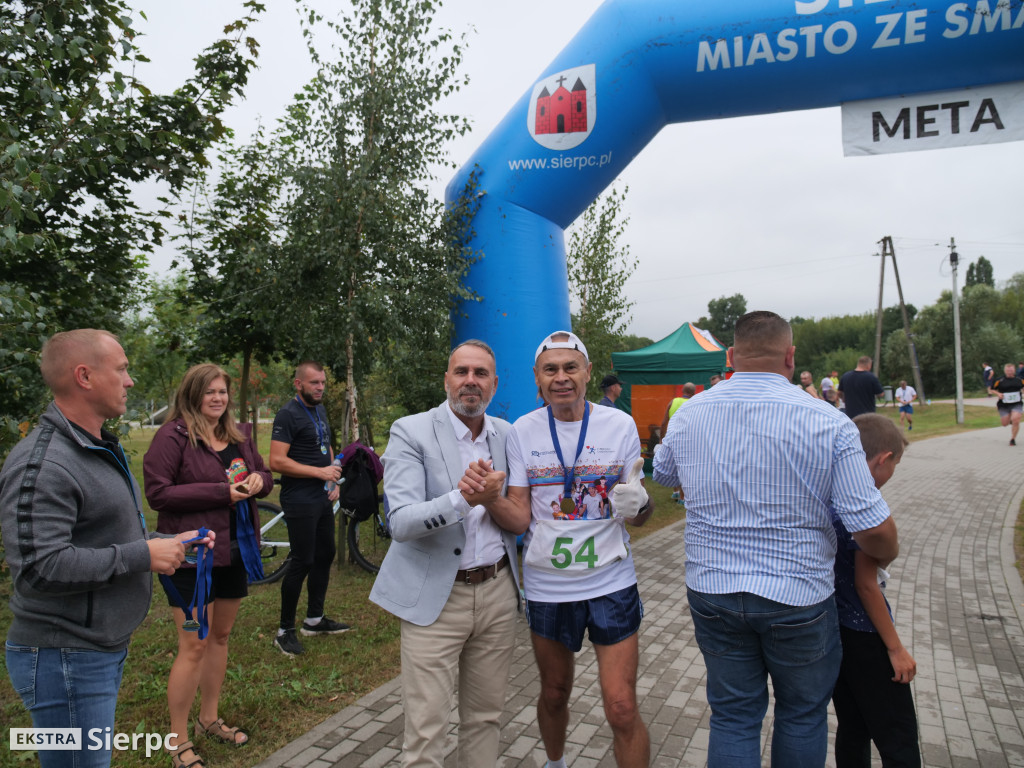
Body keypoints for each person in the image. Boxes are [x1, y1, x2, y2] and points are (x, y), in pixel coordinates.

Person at [653, 311, 899, 768]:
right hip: (799, 595)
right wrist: (888, 552)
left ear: (730, 356)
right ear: (790, 357)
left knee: (733, 716)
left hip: (714, 589)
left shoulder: (690, 414)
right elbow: (872, 527)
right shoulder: (829, 422)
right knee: (803, 716)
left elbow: (664, 473)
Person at [1, 330, 211, 768]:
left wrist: (167, 545)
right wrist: (141, 556)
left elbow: (101, 538)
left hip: (92, 651)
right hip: (63, 658)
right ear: (84, 376)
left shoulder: (94, 448)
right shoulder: (44, 464)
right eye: (121, 369)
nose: (130, 381)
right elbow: (39, 568)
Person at [500, 330, 654, 768]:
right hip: (549, 586)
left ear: (588, 372)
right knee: (554, 692)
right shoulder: (521, 432)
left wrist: (639, 504)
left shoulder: (618, 424)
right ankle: (555, 762)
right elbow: (520, 515)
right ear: (537, 378)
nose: (561, 378)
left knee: (621, 706)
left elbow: (638, 511)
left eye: (571, 368)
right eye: (551, 370)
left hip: (611, 581)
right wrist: (489, 498)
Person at [369, 340, 524, 768]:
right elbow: (399, 522)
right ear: (447, 380)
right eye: (462, 372)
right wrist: (463, 497)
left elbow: (518, 514)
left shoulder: (507, 435)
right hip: (437, 599)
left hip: (496, 592)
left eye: (480, 374)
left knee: (486, 718)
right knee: (427, 729)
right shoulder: (411, 430)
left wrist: (490, 500)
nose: (470, 381)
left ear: (494, 383)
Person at [143, 363, 274, 766]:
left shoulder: (238, 435)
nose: (218, 398)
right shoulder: (173, 436)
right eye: (210, 392)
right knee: (194, 644)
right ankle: (178, 739)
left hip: (235, 549)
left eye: (223, 392)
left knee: (220, 636)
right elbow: (158, 494)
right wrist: (222, 492)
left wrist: (257, 482)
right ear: (192, 394)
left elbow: (264, 475)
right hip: (193, 555)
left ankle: (209, 719)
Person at [831, 414, 919, 768]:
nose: (892, 473)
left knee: (852, 727)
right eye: (894, 465)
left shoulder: (828, 493)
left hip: (833, 631)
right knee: (898, 736)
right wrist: (895, 648)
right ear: (883, 459)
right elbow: (866, 586)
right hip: (865, 633)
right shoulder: (862, 506)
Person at [269, 361, 351, 656]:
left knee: (324, 554)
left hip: (321, 496)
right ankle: (284, 630)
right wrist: (319, 474)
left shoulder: (320, 409)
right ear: (298, 384)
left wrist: (333, 476)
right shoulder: (287, 414)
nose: (320, 388)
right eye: (314, 383)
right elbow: (276, 461)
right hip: (299, 497)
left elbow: (325, 445)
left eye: (323, 383)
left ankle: (314, 619)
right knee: (302, 559)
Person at [660, 382, 695, 505]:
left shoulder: (673, 402)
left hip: (672, 438)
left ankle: (675, 491)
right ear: (693, 393)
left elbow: (664, 422)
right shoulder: (694, 403)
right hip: (687, 440)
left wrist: (661, 439)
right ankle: (682, 497)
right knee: (684, 468)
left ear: (683, 391)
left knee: (673, 465)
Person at [988, 363, 1023, 446]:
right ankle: (1010, 419)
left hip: (1017, 403)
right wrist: (998, 394)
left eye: (1011, 370)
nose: (1009, 372)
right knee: (1004, 424)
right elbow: (991, 389)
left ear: (1014, 370)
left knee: (1016, 420)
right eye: (1008, 370)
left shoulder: (1020, 379)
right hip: (1004, 404)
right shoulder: (999, 380)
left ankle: (1012, 439)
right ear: (1005, 371)